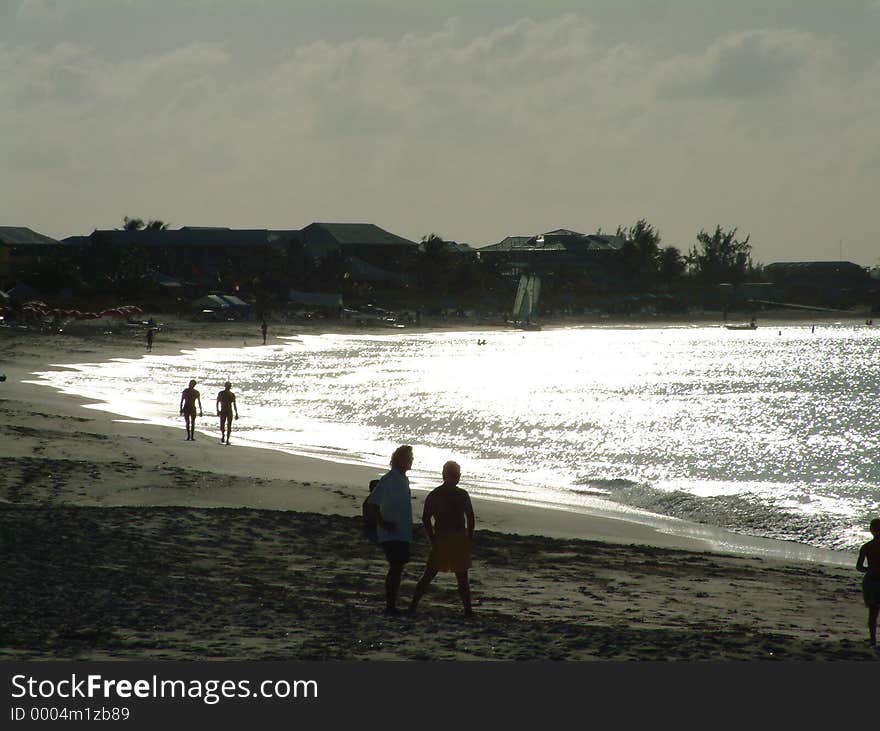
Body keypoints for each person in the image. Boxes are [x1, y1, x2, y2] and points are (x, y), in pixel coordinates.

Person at [408, 460, 475, 617]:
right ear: (445, 475)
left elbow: (470, 519)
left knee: (460, 576)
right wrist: (432, 538)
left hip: (454, 537)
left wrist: (468, 538)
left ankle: (468, 610)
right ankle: (413, 605)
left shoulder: (454, 494)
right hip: (446, 538)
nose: (455, 478)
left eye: (456, 475)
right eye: (453, 475)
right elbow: (426, 518)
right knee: (433, 574)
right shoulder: (442, 494)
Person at [364, 445, 415, 615]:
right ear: (400, 460)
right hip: (391, 532)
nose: (411, 460)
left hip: (402, 531)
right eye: (409, 457)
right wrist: (383, 523)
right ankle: (390, 605)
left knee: (398, 567)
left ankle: (392, 603)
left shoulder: (402, 479)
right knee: (395, 567)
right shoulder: (389, 479)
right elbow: (373, 503)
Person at [856, 517, 880, 647]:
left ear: (871, 530)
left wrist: (869, 569)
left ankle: (873, 640)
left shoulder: (866, 547)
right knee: (873, 612)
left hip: (871, 580)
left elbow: (859, 567)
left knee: (873, 612)